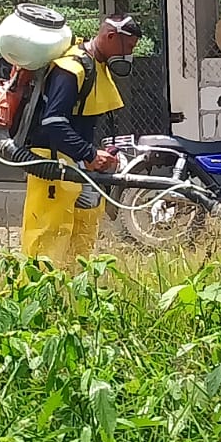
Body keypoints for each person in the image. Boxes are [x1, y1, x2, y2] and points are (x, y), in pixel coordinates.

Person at [20, 14, 142, 264]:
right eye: (128, 47)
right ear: (111, 37)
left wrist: (92, 155)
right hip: (52, 163)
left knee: (83, 232)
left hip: (76, 164)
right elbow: (53, 123)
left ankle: (75, 283)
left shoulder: (95, 66)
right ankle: (40, 286)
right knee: (48, 234)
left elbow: (79, 119)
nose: (129, 54)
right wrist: (89, 154)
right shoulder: (71, 69)